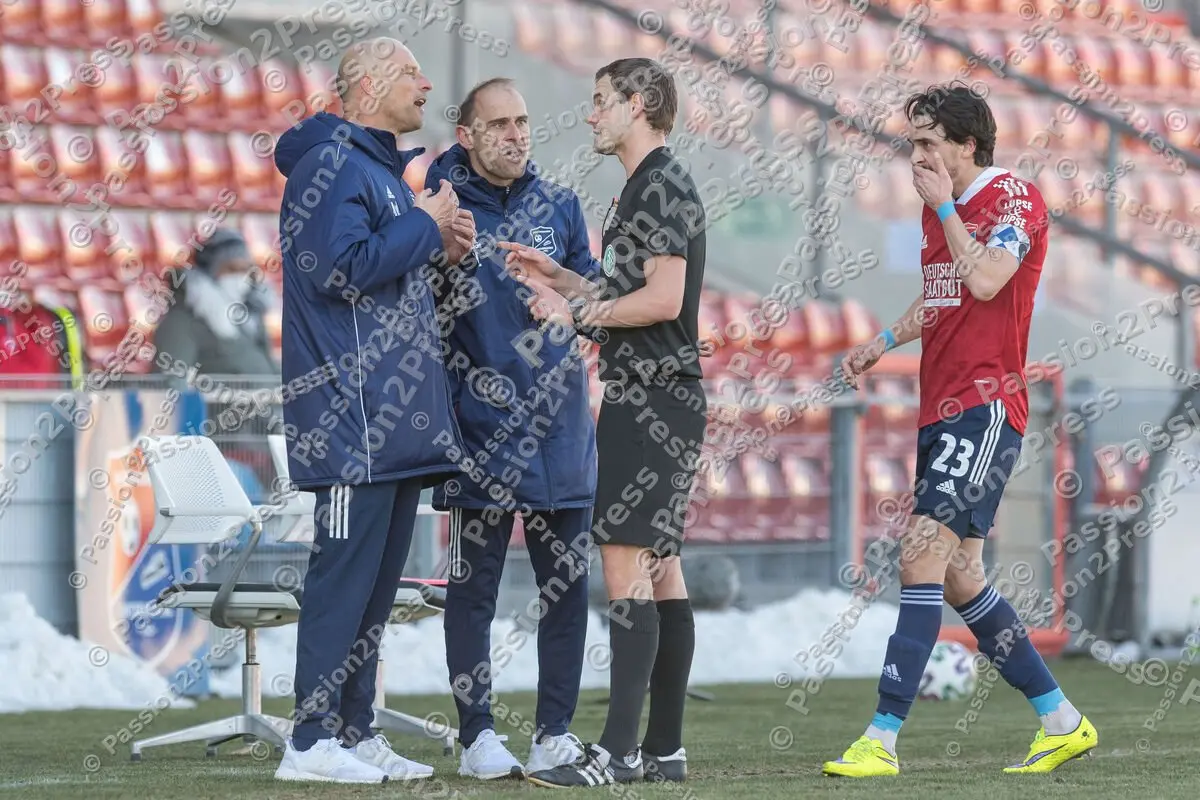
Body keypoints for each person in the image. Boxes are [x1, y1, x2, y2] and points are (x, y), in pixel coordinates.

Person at [824, 82, 1096, 777]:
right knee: (959, 577)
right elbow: (946, 289)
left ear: (966, 144)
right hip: (940, 405)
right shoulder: (935, 213)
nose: (913, 156)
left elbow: (985, 280)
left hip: (984, 406)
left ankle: (880, 739)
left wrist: (943, 205)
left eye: (926, 142)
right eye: (910, 142)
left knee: (919, 553)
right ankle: (1061, 720)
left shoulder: (1014, 200)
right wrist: (883, 338)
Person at [270, 37, 476, 784]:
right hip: (348, 420)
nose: (427, 84)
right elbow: (338, 270)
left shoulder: (378, 170)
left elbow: (383, 272)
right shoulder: (331, 165)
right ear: (365, 84)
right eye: (411, 71)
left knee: (376, 591)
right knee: (341, 582)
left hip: (390, 427)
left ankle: (354, 734)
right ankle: (308, 742)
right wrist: (423, 224)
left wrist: (435, 241)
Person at [499, 57, 707, 788]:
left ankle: (617, 756)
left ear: (640, 103)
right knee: (661, 567)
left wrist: (572, 312)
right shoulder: (640, 189)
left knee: (623, 561)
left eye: (600, 102)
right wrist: (558, 278)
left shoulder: (660, 185)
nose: (589, 115)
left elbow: (664, 302)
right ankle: (664, 752)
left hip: (653, 399)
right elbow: (626, 294)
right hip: (658, 396)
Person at [422, 77, 598, 781]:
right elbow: (408, 301)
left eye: (523, 121)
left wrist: (569, 293)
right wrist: (443, 257)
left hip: (559, 421)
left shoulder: (559, 203)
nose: (516, 134)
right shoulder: (440, 204)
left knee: (567, 587)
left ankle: (554, 731)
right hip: (478, 425)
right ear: (466, 135)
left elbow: (596, 296)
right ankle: (478, 736)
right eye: (499, 124)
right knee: (474, 591)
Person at [152, 227, 278, 385]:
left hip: (270, 407)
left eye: (245, 270)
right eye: (231, 269)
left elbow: (266, 368)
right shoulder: (181, 321)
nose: (240, 277)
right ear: (210, 271)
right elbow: (172, 387)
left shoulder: (248, 317)